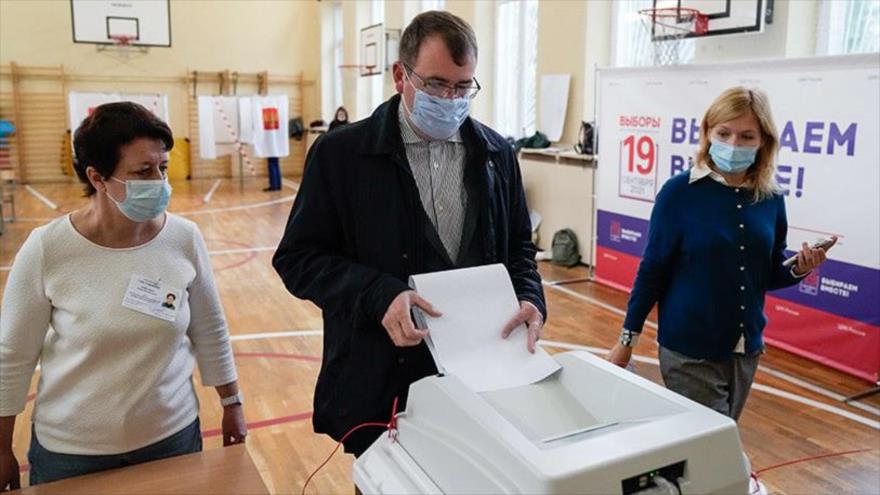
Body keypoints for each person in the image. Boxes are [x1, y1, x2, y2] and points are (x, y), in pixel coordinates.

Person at [273, 11, 545, 456]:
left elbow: (519, 247)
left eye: (463, 87)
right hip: (382, 379)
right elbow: (298, 259)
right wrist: (379, 295)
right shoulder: (342, 155)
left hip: (479, 374)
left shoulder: (497, 154)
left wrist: (532, 297)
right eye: (437, 84)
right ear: (401, 75)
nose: (451, 99)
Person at [0, 102, 247, 490]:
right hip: (71, 453)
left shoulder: (184, 238)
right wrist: (1, 449)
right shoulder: (47, 249)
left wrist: (232, 404)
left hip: (173, 438)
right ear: (97, 177)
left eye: (163, 167)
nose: (160, 181)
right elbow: (12, 354)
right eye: (143, 171)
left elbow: (210, 327)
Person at [608, 87, 834, 421]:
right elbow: (653, 270)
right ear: (707, 133)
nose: (734, 144)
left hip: (745, 351)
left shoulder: (770, 198)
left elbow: (766, 274)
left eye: (746, 136)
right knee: (714, 447)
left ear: (763, 143)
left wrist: (799, 269)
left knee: (711, 448)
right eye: (724, 133)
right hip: (689, 351)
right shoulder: (679, 193)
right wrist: (627, 340)